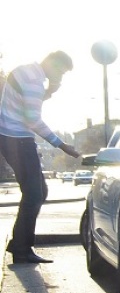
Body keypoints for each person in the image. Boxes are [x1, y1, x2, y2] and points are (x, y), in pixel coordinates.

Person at [1, 51, 81, 263]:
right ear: (51, 63)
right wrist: (62, 145)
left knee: (38, 191)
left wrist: (48, 92)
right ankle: (21, 249)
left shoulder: (24, 71)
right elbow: (33, 119)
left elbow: (25, 105)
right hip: (18, 140)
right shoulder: (35, 81)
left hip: (10, 137)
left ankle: (19, 244)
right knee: (35, 193)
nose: (60, 77)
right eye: (60, 71)